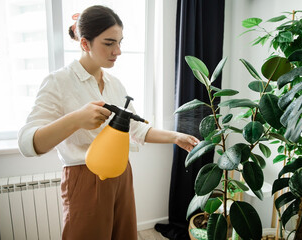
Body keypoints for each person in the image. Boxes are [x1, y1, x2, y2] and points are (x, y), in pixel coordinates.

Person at [18, 5, 199, 240]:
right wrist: (77, 119)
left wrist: (175, 137)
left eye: (120, 42)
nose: (118, 51)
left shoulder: (114, 84)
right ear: (85, 43)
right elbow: (27, 144)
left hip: (122, 174)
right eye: (109, 43)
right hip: (85, 179)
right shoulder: (58, 82)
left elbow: (137, 129)